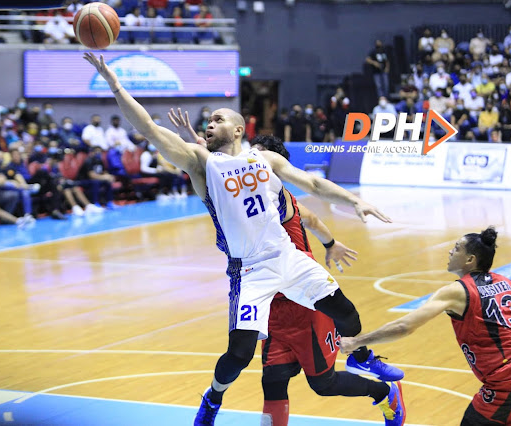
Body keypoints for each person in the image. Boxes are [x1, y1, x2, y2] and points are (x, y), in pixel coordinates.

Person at [83, 53, 404, 426]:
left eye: (218, 119)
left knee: (346, 314)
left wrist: (354, 200)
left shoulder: (265, 159)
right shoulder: (202, 164)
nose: (209, 123)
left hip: (288, 258)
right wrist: (115, 84)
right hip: (250, 270)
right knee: (239, 354)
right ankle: (213, 398)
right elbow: (150, 129)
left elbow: (313, 184)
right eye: (208, 120)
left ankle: (361, 356)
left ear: (238, 129)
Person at [167, 113, 404, 426]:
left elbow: (312, 216)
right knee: (272, 380)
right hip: (270, 305)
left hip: (304, 302)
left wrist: (332, 242)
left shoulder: (281, 199)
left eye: (254, 160)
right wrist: (195, 139)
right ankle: (216, 399)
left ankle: (380, 387)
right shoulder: (240, 189)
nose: (245, 166)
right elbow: (216, 166)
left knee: (323, 383)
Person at [340, 227, 511, 425]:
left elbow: (404, 326)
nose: (450, 251)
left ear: (470, 259)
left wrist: (357, 341)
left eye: (457, 248)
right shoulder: (507, 283)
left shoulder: (456, 291)